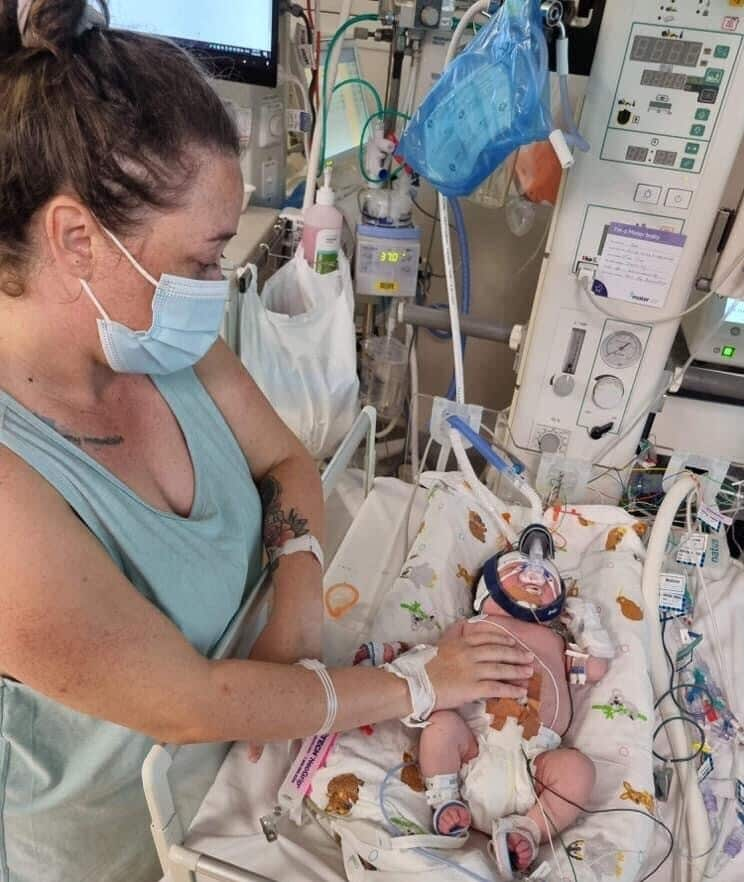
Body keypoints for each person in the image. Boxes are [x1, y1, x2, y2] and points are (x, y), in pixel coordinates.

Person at [0, 2, 536, 880]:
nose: (218, 286)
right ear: (75, 240)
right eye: (203, 260)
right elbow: (185, 705)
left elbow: (288, 461)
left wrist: (289, 617)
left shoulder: (152, 338)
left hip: (253, 754)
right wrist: (421, 683)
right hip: (128, 842)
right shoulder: (15, 487)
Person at [417, 547, 614, 878]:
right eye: (516, 567)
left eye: (547, 576)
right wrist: (396, 656)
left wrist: (587, 624)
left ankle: (529, 829)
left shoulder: (554, 641)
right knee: (441, 726)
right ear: (487, 589)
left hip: (537, 763)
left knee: (578, 770)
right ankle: (444, 797)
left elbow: (592, 670)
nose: (535, 575)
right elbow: (434, 661)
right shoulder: (472, 627)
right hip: (472, 746)